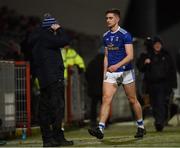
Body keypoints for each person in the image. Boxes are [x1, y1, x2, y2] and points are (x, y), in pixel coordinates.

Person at [88, 8, 146, 139]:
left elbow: (130, 56)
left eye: (110, 18)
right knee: (106, 99)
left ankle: (141, 126)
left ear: (117, 19)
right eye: (106, 18)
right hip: (111, 73)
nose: (107, 20)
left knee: (132, 100)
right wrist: (105, 72)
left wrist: (117, 66)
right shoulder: (105, 36)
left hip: (125, 72)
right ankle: (100, 128)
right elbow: (107, 56)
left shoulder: (125, 34)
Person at [29, 13, 73, 147]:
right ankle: (57, 137)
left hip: (44, 79)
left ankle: (47, 139)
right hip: (54, 77)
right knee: (57, 108)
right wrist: (59, 29)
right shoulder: (46, 36)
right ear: (51, 27)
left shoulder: (36, 38)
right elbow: (65, 40)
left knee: (45, 109)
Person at [139, 36, 177, 131]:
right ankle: (159, 121)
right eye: (155, 44)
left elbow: (172, 70)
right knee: (154, 104)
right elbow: (141, 68)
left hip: (164, 84)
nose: (157, 46)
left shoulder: (166, 55)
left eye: (159, 44)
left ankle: (159, 122)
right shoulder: (149, 56)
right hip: (151, 85)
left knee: (161, 103)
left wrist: (173, 84)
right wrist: (145, 63)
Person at [85, 49, 104, 128]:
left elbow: (87, 74)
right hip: (102, 88)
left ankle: (93, 120)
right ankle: (104, 120)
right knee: (104, 104)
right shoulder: (104, 63)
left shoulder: (91, 63)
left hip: (93, 88)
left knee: (94, 105)